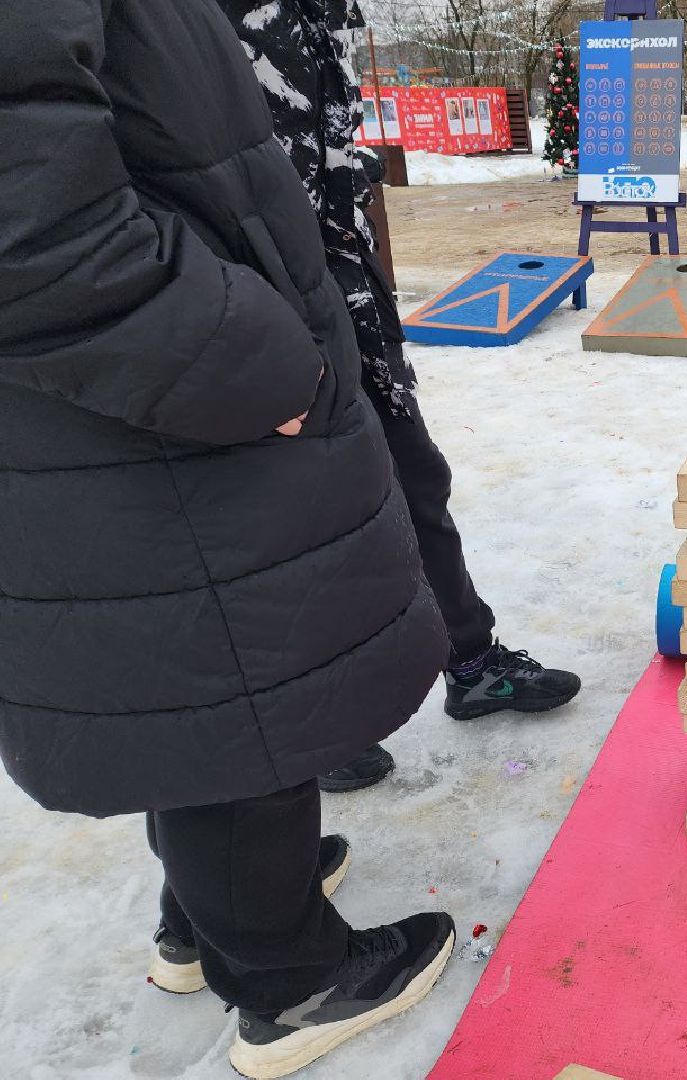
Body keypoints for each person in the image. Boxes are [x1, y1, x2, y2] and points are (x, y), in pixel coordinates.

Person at [0, 1, 456, 1076]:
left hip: (144, 407)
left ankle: (207, 920)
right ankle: (290, 980)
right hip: (168, 398)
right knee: (247, 677)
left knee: (205, 679)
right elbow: (37, 237)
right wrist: (261, 368)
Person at [215, 0, 582, 797]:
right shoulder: (196, 18)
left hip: (343, 302)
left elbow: (324, 158)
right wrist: (243, 346)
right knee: (291, 531)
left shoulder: (325, 13)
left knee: (417, 485)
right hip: (255, 320)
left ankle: (474, 663)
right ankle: (311, 727)